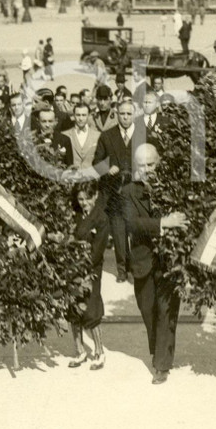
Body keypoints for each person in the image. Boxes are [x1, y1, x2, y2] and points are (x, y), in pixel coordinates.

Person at [121, 143, 188, 384]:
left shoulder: (174, 187)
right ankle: (157, 350)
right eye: (142, 165)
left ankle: (162, 365)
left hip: (170, 261)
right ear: (135, 167)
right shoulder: (128, 192)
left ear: (159, 162)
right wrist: (163, 223)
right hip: (143, 260)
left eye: (151, 164)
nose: (147, 169)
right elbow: (131, 223)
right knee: (148, 310)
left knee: (166, 311)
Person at [93, 100, 137, 281]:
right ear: (117, 114)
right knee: (119, 230)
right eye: (122, 114)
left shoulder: (143, 135)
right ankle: (122, 269)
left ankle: (135, 267)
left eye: (129, 114)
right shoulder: (107, 136)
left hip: (137, 191)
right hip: (115, 190)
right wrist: (107, 169)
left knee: (137, 229)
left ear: (134, 115)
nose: (125, 117)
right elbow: (96, 162)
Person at [68, 181, 108, 370]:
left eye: (87, 199)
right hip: (72, 267)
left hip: (90, 270)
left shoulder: (101, 219)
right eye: (80, 199)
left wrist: (83, 269)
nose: (83, 203)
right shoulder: (76, 215)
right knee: (73, 308)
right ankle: (80, 351)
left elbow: (98, 251)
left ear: (95, 196)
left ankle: (99, 352)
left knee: (91, 308)